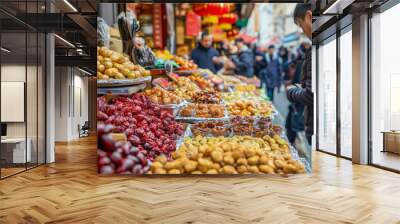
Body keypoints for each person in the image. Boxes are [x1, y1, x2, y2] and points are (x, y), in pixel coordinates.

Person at [286, 3, 313, 145]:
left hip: (314, 124)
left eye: (301, 25)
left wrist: (291, 91)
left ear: (309, 17)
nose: (302, 31)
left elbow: (310, 94)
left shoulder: (316, 48)